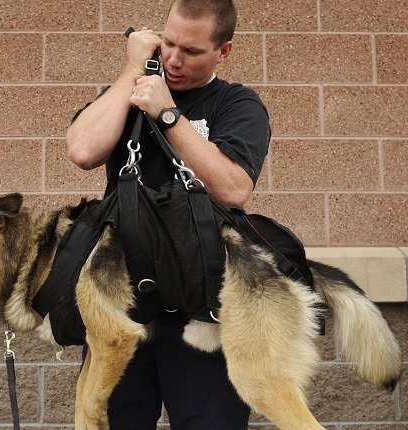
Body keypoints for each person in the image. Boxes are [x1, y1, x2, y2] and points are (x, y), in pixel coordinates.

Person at [66, 0, 271, 428]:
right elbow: (83, 150)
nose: (174, 60)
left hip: (202, 309)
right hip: (122, 303)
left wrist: (168, 114)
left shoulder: (237, 104)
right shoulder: (129, 91)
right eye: (169, 43)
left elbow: (233, 188)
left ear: (224, 51)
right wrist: (133, 71)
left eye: (191, 51)